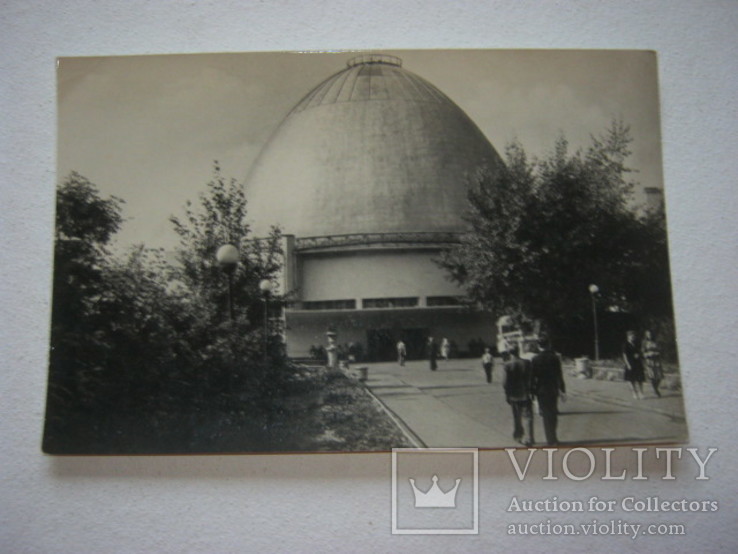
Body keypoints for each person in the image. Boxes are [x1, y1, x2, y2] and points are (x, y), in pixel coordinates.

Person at [531, 337, 566, 446]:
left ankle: (550, 439)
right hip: (552, 389)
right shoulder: (554, 358)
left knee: (546, 415)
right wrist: (562, 390)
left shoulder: (535, 359)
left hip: (541, 390)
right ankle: (554, 437)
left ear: (538, 346)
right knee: (553, 414)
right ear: (548, 345)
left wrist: (532, 391)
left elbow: (532, 376)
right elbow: (559, 375)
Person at [504, 345, 534, 446]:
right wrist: (531, 390)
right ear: (518, 351)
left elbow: (505, 382)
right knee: (528, 416)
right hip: (525, 393)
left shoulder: (507, 365)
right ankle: (530, 438)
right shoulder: (526, 363)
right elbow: (531, 378)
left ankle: (518, 436)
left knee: (516, 416)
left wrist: (507, 394)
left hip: (513, 394)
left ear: (509, 353)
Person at [623, 330, 645, 399]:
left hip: (637, 363)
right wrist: (628, 364)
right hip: (630, 363)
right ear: (628, 337)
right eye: (631, 336)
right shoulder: (625, 345)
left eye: (633, 336)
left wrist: (639, 355)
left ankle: (641, 393)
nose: (632, 337)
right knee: (631, 380)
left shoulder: (636, 343)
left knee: (640, 379)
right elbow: (624, 355)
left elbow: (640, 351)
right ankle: (634, 393)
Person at [642, 330, 663, 397]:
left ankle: (656, 388)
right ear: (646, 335)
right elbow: (643, 352)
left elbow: (661, 350)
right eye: (648, 334)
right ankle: (655, 390)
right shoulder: (644, 343)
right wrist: (647, 354)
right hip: (649, 361)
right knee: (652, 376)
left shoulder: (656, 342)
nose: (649, 336)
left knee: (659, 376)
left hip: (657, 360)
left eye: (650, 334)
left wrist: (657, 353)